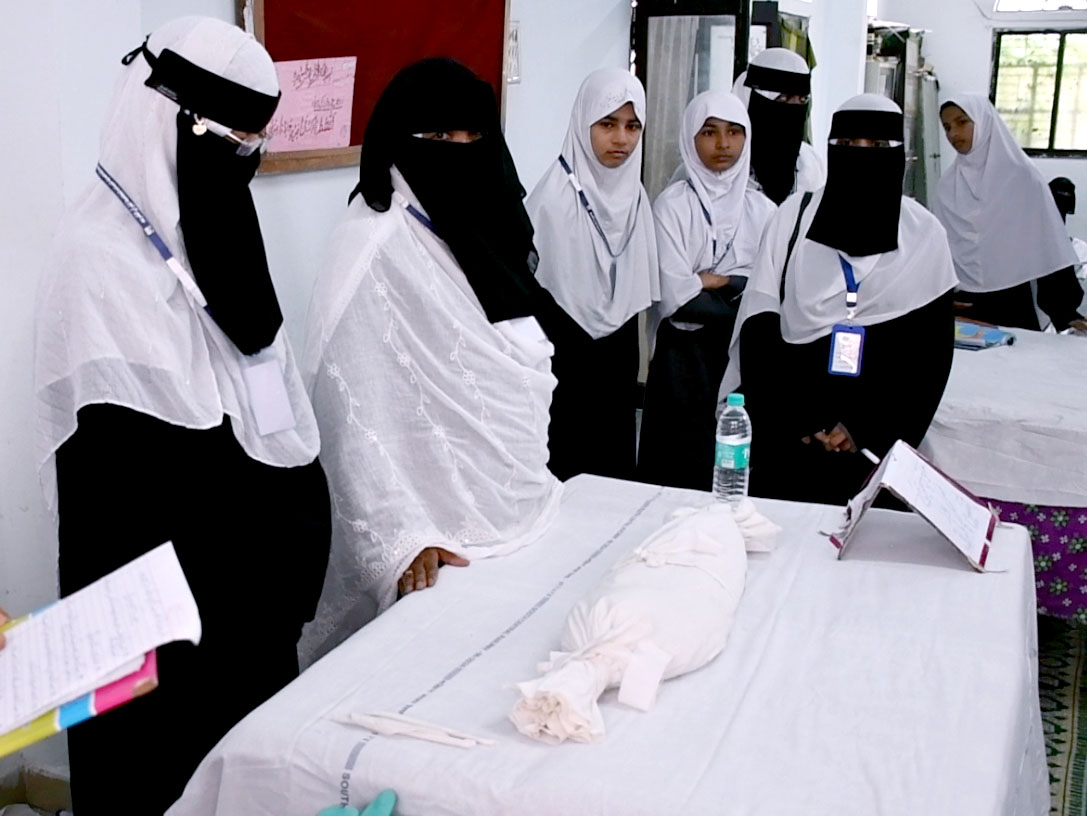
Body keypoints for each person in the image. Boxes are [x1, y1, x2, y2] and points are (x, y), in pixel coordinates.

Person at [34, 18, 331, 814]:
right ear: (161, 115)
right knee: (158, 778)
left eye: (254, 139)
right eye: (227, 137)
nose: (241, 156)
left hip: (245, 604)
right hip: (155, 616)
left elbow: (266, 387)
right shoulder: (95, 258)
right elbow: (122, 486)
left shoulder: (220, 222)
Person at [300, 59, 574, 660]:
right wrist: (401, 537)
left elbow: (520, 355)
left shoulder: (485, 228)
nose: (461, 151)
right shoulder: (370, 245)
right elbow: (347, 409)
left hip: (523, 512)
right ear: (399, 142)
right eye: (440, 136)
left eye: (474, 136)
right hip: (432, 543)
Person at [721, 95, 958, 506]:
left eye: (877, 146)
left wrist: (863, 428)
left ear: (899, 154)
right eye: (847, 145)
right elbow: (759, 325)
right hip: (788, 439)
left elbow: (929, 360)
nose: (861, 157)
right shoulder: (794, 218)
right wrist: (796, 419)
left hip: (875, 451)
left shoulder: (924, 237)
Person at [526, 67, 660, 481]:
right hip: (564, 348)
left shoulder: (635, 197)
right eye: (607, 124)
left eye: (632, 126)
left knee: (614, 462)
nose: (621, 139)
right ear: (583, 122)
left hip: (618, 349)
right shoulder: (552, 199)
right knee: (566, 461)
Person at [637, 91, 775, 490]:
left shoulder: (763, 210)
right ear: (690, 138)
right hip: (682, 362)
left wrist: (713, 280)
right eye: (709, 132)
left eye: (734, 132)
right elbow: (678, 302)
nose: (723, 144)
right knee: (675, 473)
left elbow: (770, 295)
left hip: (740, 359)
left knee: (731, 475)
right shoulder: (672, 206)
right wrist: (740, 288)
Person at [933, 95, 1086, 332]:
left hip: (1012, 303)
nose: (953, 133)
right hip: (962, 304)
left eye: (962, 122)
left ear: (984, 123)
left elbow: (1047, 244)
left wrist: (1064, 311)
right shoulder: (947, 186)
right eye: (947, 127)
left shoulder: (1022, 178)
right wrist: (940, 298)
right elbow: (938, 252)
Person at [732, 47, 824, 205]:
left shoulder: (810, 164)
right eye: (783, 99)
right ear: (752, 101)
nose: (794, 110)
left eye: (802, 100)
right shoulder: (724, 160)